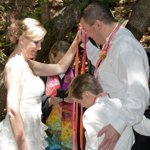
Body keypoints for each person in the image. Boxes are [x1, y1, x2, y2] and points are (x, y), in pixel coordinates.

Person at [79, 2, 150, 150]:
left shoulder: (125, 46)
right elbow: (106, 64)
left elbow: (138, 92)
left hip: (133, 126)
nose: (88, 34)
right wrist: (84, 43)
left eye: (87, 30)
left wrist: (118, 126)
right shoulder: (114, 42)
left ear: (98, 24)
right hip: (125, 123)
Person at [0, 17, 77, 150]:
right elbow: (13, 110)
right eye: (36, 42)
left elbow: (60, 68)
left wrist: (77, 41)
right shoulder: (15, 65)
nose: (40, 48)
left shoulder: (27, 63)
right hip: (19, 138)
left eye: (41, 43)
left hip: (33, 131)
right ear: (22, 40)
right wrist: (22, 145)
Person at [68, 74, 134, 150]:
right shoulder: (120, 103)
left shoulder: (90, 114)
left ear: (86, 94)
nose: (82, 106)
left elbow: (92, 146)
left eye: (80, 102)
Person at [41, 41, 74, 150]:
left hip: (71, 127)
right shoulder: (42, 75)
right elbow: (33, 100)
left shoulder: (77, 77)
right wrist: (48, 100)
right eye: (60, 59)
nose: (64, 63)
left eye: (67, 60)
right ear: (52, 56)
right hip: (48, 126)